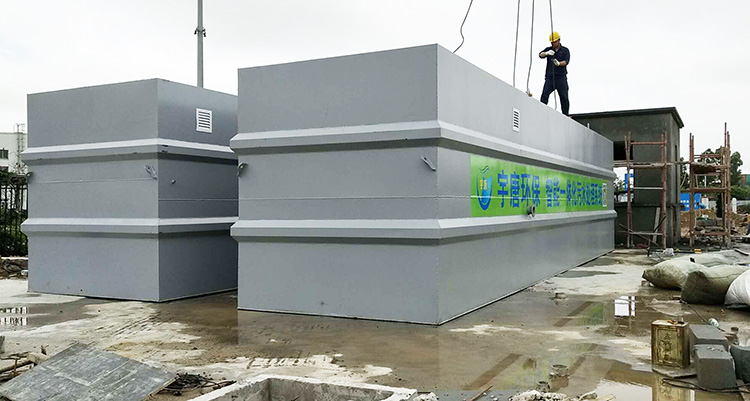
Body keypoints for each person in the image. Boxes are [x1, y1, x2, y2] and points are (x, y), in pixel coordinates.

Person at [538, 32, 570, 115]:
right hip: (550, 77)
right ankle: (541, 112)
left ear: (559, 40)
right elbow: (540, 55)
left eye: (554, 42)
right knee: (544, 95)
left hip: (561, 77)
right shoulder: (549, 49)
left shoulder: (565, 50)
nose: (553, 43)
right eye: (552, 42)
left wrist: (559, 63)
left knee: (564, 97)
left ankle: (565, 115)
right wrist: (546, 53)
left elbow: (566, 61)